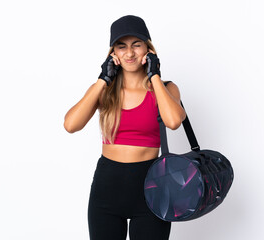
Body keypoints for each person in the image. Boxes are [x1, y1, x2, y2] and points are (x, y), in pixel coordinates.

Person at [64, 15, 186, 240]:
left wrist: (155, 76)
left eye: (136, 45)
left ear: (148, 50)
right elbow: (71, 125)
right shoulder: (103, 90)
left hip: (152, 188)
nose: (129, 53)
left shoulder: (166, 88)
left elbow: (174, 122)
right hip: (107, 189)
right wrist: (102, 79)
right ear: (114, 53)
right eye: (122, 47)